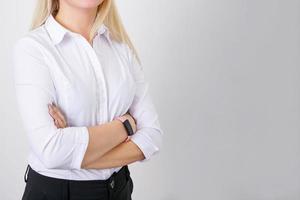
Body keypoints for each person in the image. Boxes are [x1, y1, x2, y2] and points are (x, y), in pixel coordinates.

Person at [12, 0, 163, 199]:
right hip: (58, 193)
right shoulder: (33, 49)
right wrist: (125, 126)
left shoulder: (120, 46)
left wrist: (72, 153)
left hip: (119, 188)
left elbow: (152, 136)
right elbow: (50, 150)